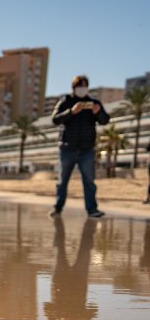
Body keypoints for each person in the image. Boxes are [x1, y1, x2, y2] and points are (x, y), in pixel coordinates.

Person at [49, 75, 110, 218]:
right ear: (74, 87)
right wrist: (71, 111)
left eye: (85, 86)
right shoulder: (66, 101)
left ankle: (92, 209)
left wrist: (98, 112)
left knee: (89, 181)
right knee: (62, 180)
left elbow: (105, 120)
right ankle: (58, 208)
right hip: (67, 148)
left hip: (86, 150)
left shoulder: (94, 102)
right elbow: (55, 119)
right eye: (79, 86)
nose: (82, 89)